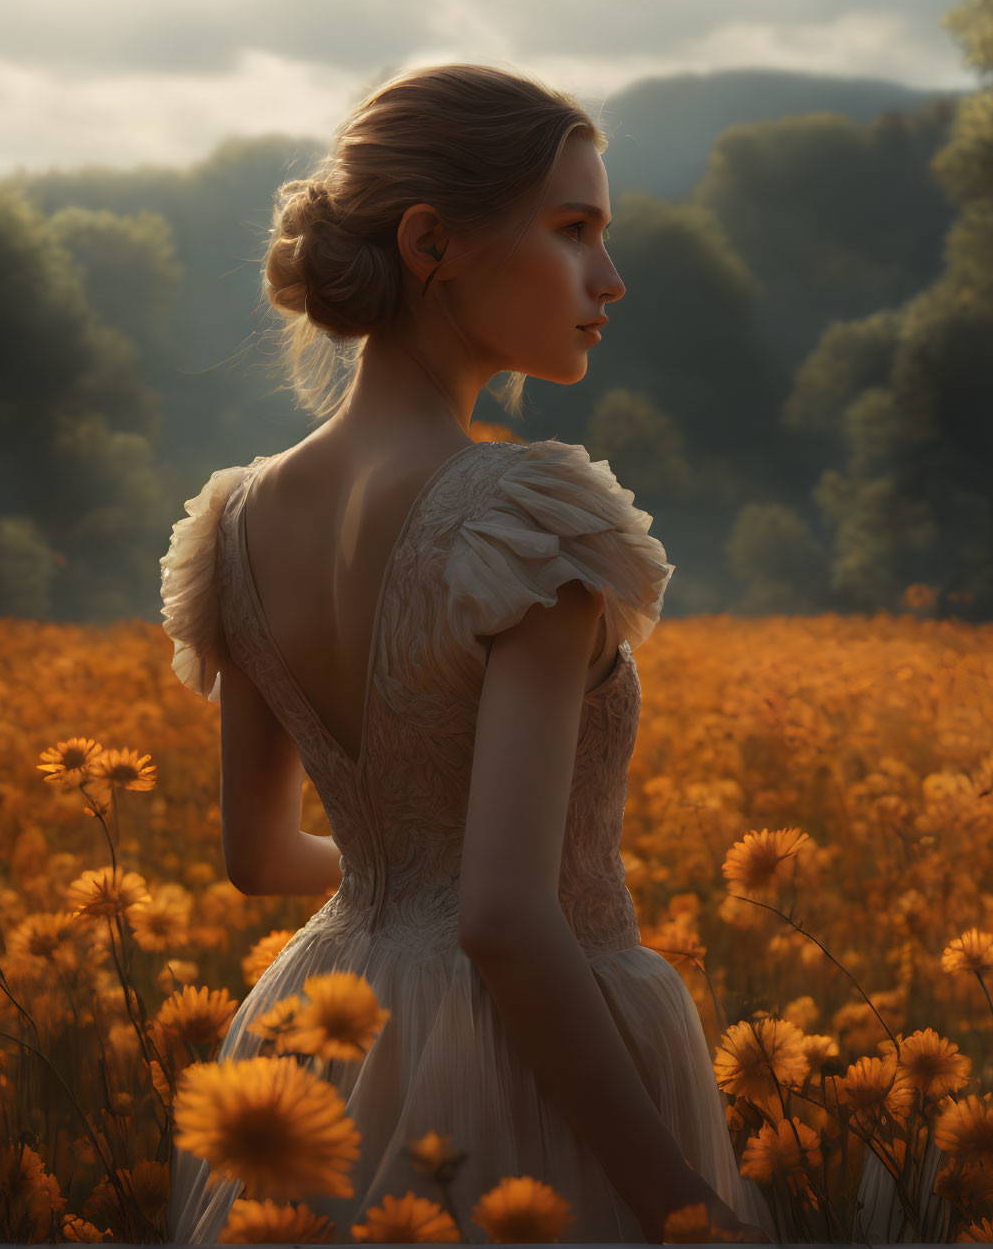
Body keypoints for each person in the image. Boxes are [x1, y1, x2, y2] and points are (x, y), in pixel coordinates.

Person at [158, 62, 775, 1244]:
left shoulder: (236, 520)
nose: (610, 276)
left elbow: (253, 855)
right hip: (519, 1055)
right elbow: (502, 917)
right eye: (573, 229)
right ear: (433, 241)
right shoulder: (522, 520)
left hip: (326, 1028)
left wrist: (401, 897)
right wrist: (690, 1209)